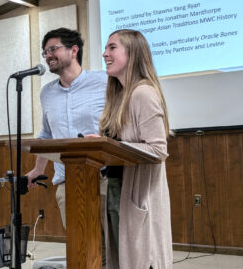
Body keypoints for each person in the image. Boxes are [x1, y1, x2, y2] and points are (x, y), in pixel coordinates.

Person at [88, 29, 173, 269]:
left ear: (133, 53)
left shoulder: (143, 93)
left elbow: (158, 150)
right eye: (105, 48)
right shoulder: (119, 96)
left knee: (141, 260)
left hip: (137, 194)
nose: (105, 54)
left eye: (112, 47)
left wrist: (110, 146)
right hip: (116, 189)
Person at [25, 28, 108, 231]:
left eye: (53, 49)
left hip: (103, 178)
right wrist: (38, 169)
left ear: (73, 50)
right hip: (66, 181)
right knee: (77, 248)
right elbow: (47, 135)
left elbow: (120, 123)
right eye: (45, 52)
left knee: (108, 247)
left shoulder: (104, 81)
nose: (48, 55)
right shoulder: (47, 93)